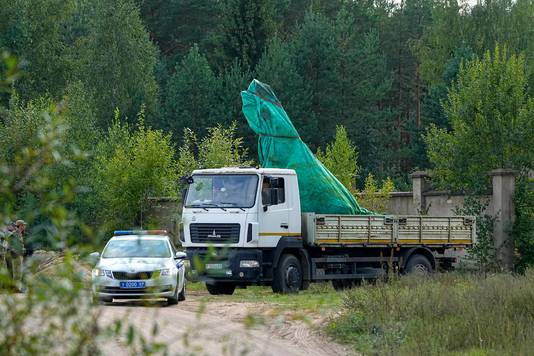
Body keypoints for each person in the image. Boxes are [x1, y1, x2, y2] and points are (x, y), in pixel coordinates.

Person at [4, 220, 26, 290]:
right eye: (23, 225)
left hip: (16, 255)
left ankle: (14, 288)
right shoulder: (14, 234)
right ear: (20, 226)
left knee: (16, 272)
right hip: (12, 255)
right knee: (15, 272)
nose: (24, 226)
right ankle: (14, 288)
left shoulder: (19, 233)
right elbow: (8, 245)